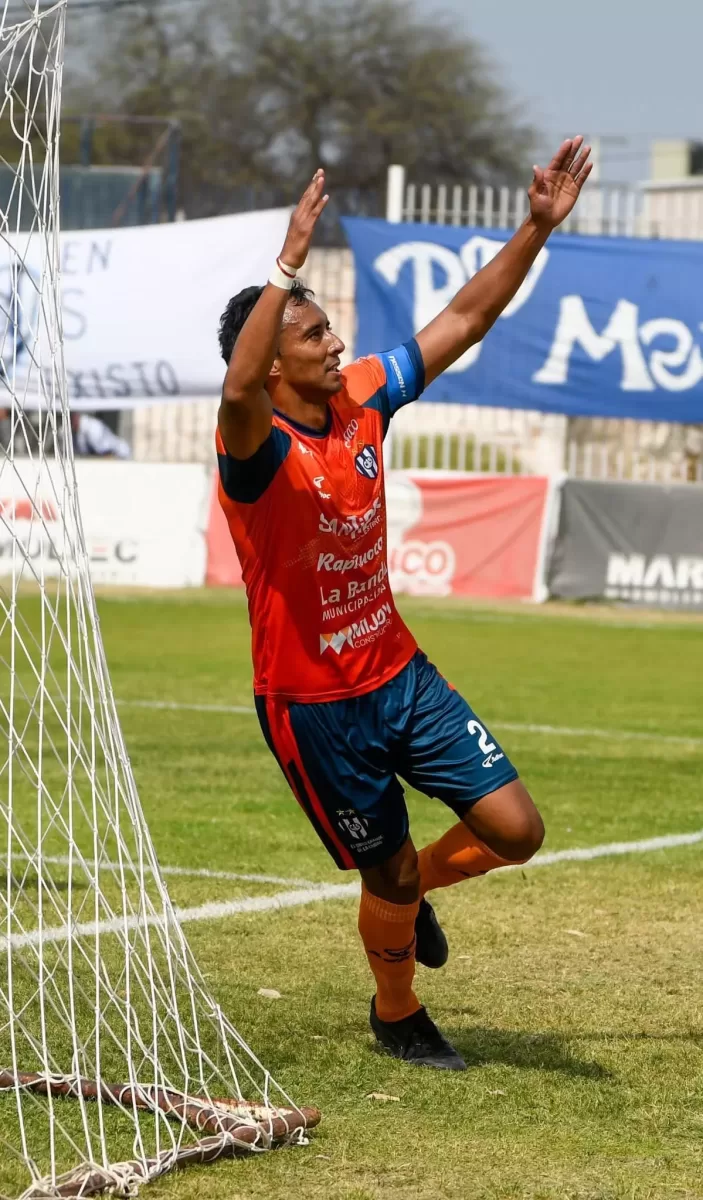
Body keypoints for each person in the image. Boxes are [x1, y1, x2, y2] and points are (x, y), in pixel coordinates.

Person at [216, 138, 592, 1070]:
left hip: (398, 674)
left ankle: (409, 896)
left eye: (329, 329)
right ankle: (397, 1011)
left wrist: (535, 228)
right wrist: (285, 266)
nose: (336, 344)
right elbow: (235, 387)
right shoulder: (252, 448)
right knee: (379, 870)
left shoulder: (362, 398)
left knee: (515, 831)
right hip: (314, 707)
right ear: (274, 364)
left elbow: (464, 316)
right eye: (313, 335)